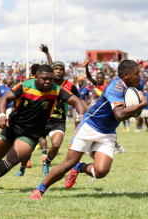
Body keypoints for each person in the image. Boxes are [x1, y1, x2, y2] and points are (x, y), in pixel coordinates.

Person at [29, 60, 148, 200]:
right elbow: (120, 114)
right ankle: (39, 190)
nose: (140, 76)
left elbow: (132, 107)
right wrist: (143, 104)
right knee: (68, 163)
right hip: (90, 127)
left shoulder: (138, 82)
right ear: (126, 75)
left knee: (101, 171)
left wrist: (137, 108)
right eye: (137, 73)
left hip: (108, 132)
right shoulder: (114, 88)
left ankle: (79, 168)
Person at [0, 65, 86, 196]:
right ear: (36, 77)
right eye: (44, 79)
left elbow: (77, 101)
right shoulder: (25, 86)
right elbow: (5, 98)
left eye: (51, 79)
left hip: (32, 133)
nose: (48, 82)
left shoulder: (57, 90)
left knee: (12, 160)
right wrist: (2, 115)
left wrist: (80, 116)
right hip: (13, 126)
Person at [15, 45, 88, 177]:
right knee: (28, 146)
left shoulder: (69, 85)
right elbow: (51, 65)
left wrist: (85, 113)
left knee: (56, 144)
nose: (58, 71)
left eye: (61, 69)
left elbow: (79, 100)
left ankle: (47, 163)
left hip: (58, 121)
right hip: (41, 119)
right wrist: (47, 53)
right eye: (56, 69)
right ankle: (22, 167)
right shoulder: (46, 84)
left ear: (64, 72)